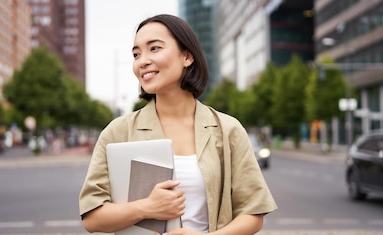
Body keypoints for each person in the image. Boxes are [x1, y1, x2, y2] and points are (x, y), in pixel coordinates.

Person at [78, 14, 277, 234]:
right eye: (136, 53)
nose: (142, 61)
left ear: (187, 57)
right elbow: (92, 217)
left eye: (154, 48)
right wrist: (147, 207)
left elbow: (253, 214)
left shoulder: (228, 129)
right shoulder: (117, 131)